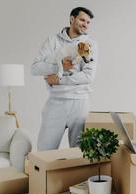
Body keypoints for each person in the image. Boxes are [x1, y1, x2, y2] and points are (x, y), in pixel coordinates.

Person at [31, 7, 98, 151]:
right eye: (82, 20)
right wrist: (60, 67)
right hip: (56, 102)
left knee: (80, 154)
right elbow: (35, 68)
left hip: (80, 103)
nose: (85, 24)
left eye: (88, 22)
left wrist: (59, 80)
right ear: (72, 19)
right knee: (44, 151)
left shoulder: (89, 44)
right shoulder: (52, 40)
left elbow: (88, 76)